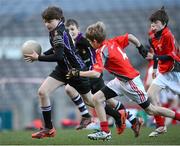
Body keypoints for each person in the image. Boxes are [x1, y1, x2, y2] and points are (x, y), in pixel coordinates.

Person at [66, 21, 180, 141]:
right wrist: (139, 46)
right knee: (96, 99)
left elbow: (96, 73)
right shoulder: (113, 41)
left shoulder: (101, 51)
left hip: (131, 83)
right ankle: (105, 131)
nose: (88, 43)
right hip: (120, 80)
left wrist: (78, 73)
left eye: (89, 41)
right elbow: (130, 36)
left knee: (151, 110)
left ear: (94, 41)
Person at [24, 6, 94, 139]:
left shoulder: (58, 33)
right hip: (63, 70)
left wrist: (38, 57)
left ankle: (122, 116)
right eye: (45, 21)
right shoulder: (56, 30)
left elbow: (58, 56)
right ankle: (48, 128)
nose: (46, 24)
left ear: (58, 19)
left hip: (76, 71)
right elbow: (56, 49)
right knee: (42, 92)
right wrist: (42, 54)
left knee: (91, 101)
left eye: (49, 21)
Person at [65, 19, 143, 137]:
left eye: (72, 29)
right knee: (107, 101)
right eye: (68, 30)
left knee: (89, 98)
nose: (71, 32)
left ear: (78, 29)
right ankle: (131, 120)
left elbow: (97, 53)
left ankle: (95, 119)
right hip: (89, 74)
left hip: (92, 75)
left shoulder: (85, 41)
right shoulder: (73, 43)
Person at [145, 7, 180, 137]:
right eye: (152, 22)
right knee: (150, 95)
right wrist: (154, 68)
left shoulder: (168, 35)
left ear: (164, 24)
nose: (153, 25)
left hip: (175, 71)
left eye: (156, 22)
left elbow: (171, 56)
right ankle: (160, 125)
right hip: (163, 72)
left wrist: (155, 58)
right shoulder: (152, 38)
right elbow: (157, 54)